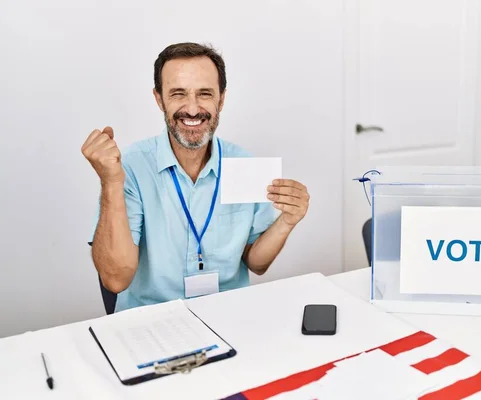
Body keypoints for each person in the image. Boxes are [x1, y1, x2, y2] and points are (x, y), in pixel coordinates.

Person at [82, 42, 310, 312]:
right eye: (178, 94)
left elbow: (257, 264)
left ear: (221, 100)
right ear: (159, 99)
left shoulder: (245, 164)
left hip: (227, 315)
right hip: (151, 320)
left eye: (204, 94)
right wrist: (110, 181)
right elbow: (115, 279)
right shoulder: (129, 167)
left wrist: (287, 221)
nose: (192, 109)